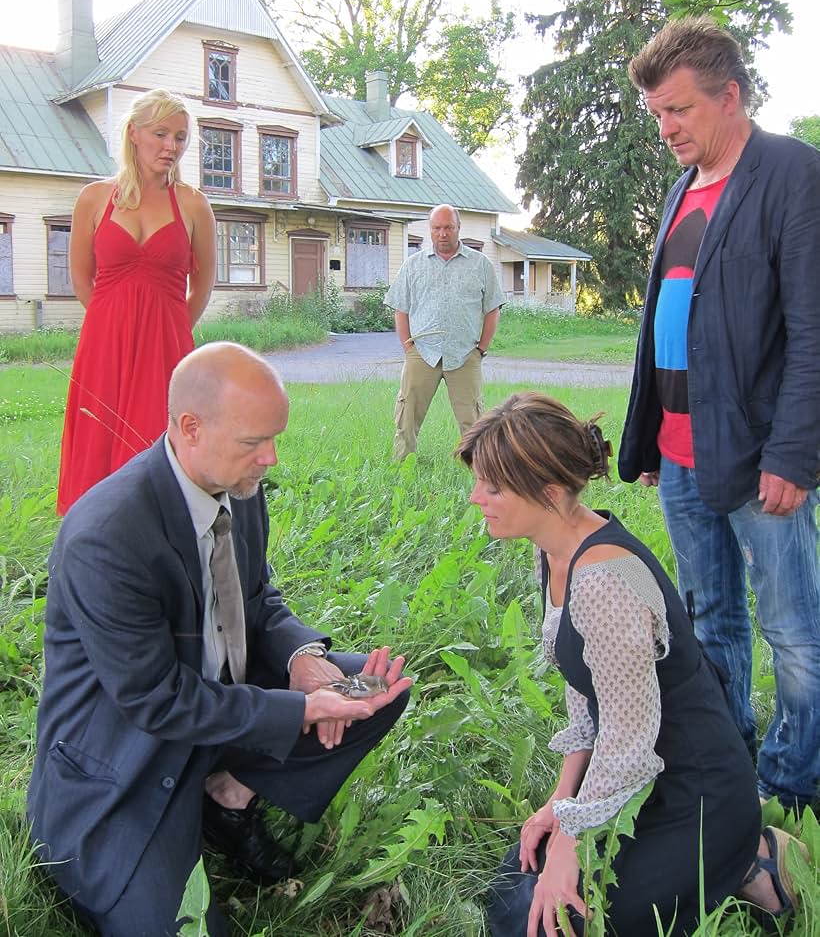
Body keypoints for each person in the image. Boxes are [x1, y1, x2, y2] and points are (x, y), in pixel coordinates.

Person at [30, 343, 413, 937]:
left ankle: (227, 798)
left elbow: (257, 599)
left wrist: (303, 661)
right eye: (254, 442)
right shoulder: (107, 536)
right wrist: (301, 710)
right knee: (182, 929)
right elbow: (154, 701)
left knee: (376, 689)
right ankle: (164, 824)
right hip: (131, 754)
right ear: (190, 428)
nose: (272, 457)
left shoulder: (235, 484)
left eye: (274, 438)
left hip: (216, 706)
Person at [457, 393, 808, 937]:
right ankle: (738, 864)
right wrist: (560, 802)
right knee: (519, 885)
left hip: (695, 791)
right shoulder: (554, 547)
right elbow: (586, 695)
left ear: (549, 493)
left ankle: (749, 857)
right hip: (644, 774)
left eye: (493, 486)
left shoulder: (605, 580)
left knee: (561, 921)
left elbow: (624, 739)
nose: (476, 497)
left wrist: (569, 840)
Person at [618, 17, 820, 811]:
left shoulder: (790, 173)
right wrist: (648, 440)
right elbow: (667, 321)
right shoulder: (682, 185)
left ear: (729, 96)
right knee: (709, 622)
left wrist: (795, 455)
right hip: (682, 454)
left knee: (794, 633)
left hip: (758, 456)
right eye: (657, 114)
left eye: (679, 110)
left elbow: (811, 328)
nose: (666, 128)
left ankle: (793, 781)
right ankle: (732, 763)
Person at [56, 88, 217, 515]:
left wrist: (172, 328)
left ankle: (160, 537)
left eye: (181, 138)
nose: (171, 147)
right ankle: (94, 535)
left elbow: (202, 283)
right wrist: (114, 323)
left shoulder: (194, 204)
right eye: (160, 134)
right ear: (133, 133)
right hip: (104, 342)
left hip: (168, 343)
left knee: (158, 440)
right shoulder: (93, 198)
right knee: (99, 439)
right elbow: (80, 278)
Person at [384, 203, 504, 459]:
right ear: (430, 230)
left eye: (448, 227)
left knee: (473, 421)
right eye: (437, 228)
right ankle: (401, 466)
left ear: (458, 228)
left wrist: (481, 349)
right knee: (406, 417)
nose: (442, 233)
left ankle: (479, 471)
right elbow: (400, 309)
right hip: (422, 353)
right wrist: (408, 348)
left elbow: (492, 310)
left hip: (464, 354)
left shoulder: (480, 265)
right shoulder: (413, 265)